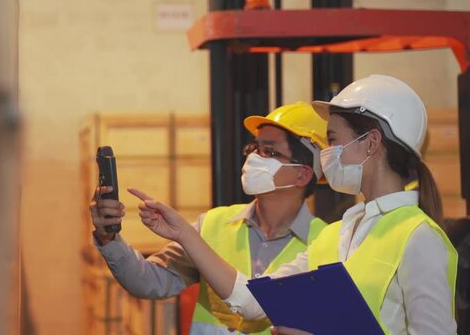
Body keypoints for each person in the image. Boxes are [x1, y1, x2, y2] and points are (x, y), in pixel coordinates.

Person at [130, 75, 458, 334]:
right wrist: (184, 234)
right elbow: (251, 301)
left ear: (371, 143)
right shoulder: (338, 234)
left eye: (332, 140)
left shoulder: (418, 238)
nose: (327, 155)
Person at [91, 102, 329, 334]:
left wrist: (183, 233)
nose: (255, 158)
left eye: (269, 151)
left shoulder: (325, 244)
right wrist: (109, 237)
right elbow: (147, 281)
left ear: (302, 175)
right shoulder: (214, 224)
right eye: (254, 148)